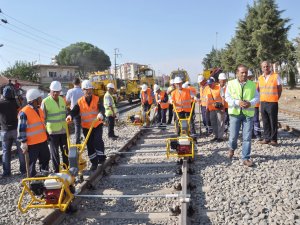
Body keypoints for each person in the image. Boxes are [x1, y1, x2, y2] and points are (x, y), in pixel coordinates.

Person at [66, 80, 105, 171]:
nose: (88, 91)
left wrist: (101, 113)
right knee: (89, 144)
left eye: (90, 89)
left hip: (96, 124)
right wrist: (70, 115)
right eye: (86, 90)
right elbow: (74, 110)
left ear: (92, 90)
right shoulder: (80, 102)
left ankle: (101, 158)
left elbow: (101, 108)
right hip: (86, 127)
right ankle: (94, 162)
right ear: (83, 90)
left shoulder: (97, 99)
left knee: (97, 140)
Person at [225, 65, 259, 167]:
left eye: (246, 72)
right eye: (242, 72)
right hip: (235, 113)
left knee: (247, 137)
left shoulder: (252, 84)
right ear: (237, 73)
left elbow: (257, 97)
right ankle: (232, 148)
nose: (244, 74)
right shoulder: (230, 84)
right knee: (233, 136)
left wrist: (251, 103)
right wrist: (236, 102)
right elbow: (227, 97)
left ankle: (246, 158)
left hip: (248, 114)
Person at [18, 89, 50, 177]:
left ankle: (44, 176)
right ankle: (32, 181)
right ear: (34, 100)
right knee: (32, 163)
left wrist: (47, 135)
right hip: (32, 144)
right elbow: (21, 129)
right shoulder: (24, 112)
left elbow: (42, 124)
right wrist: (23, 142)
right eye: (39, 98)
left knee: (45, 158)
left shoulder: (39, 110)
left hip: (42, 141)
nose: (41, 100)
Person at [41, 81, 68, 173]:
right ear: (50, 90)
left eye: (58, 91)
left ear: (60, 91)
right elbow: (42, 119)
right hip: (52, 132)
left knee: (65, 151)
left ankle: (67, 168)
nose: (56, 93)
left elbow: (65, 113)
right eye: (54, 92)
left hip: (63, 130)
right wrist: (45, 132)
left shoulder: (62, 100)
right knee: (54, 153)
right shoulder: (45, 102)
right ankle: (57, 171)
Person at [0, 86, 26, 177]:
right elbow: (21, 111)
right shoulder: (15, 103)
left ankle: (7, 172)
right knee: (20, 151)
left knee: (6, 152)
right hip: (16, 130)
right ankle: (23, 170)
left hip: (4, 131)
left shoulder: (1, 103)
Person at [257, 61, 282, 146]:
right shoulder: (260, 78)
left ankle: (274, 139)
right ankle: (267, 138)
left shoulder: (275, 76)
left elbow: (279, 89)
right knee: (265, 121)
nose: (265, 68)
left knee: (273, 121)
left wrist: (276, 98)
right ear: (261, 68)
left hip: (272, 102)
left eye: (267, 66)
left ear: (270, 67)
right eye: (264, 67)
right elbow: (258, 90)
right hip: (263, 102)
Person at [205, 78, 224, 142]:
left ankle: (220, 137)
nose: (209, 85)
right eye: (208, 84)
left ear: (214, 83)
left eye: (210, 84)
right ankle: (216, 136)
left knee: (220, 122)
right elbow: (207, 99)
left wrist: (223, 107)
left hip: (219, 108)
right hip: (211, 109)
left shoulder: (219, 88)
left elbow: (223, 97)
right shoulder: (208, 89)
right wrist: (207, 108)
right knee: (213, 123)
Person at [66, 78, 84, 144]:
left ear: (73, 84)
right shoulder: (83, 91)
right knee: (83, 126)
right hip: (83, 111)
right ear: (79, 83)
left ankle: (77, 141)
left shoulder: (70, 91)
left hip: (73, 111)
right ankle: (81, 140)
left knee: (77, 126)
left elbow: (67, 101)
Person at [248, 70, 262, 140]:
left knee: (255, 120)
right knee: (249, 120)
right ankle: (251, 134)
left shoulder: (256, 84)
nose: (248, 78)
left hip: (255, 105)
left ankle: (257, 134)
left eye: (249, 77)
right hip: (247, 106)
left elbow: (258, 94)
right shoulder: (244, 85)